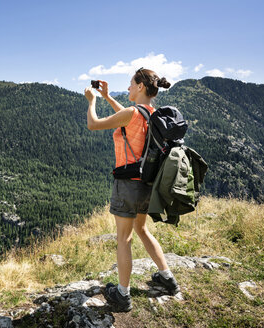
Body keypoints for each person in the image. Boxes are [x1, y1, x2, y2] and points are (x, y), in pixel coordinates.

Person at [84, 68, 180, 312]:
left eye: (130, 84)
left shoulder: (131, 113)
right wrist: (107, 97)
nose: (127, 88)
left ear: (140, 87)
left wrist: (93, 101)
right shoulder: (152, 114)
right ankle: (167, 278)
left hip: (127, 184)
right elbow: (127, 118)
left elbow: (93, 124)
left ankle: (123, 294)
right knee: (141, 229)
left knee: (123, 238)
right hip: (148, 183)